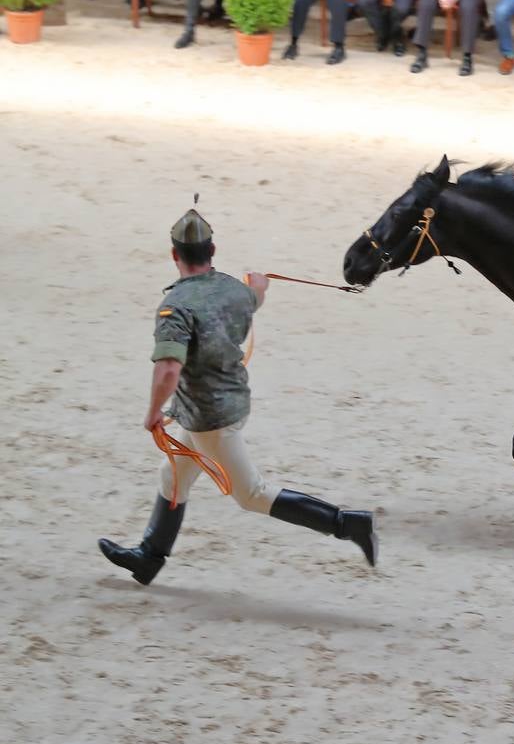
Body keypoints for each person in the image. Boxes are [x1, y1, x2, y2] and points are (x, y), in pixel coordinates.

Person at [97, 209, 377, 587]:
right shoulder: (234, 290)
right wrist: (260, 285)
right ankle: (149, 557)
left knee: (252, 494)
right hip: (227, 401)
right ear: (212, 249)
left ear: (174, 255)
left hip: (209, 416)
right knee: (174, 474)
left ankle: (347, 524)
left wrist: (151, 413)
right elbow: (254, 297)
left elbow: (167, 370)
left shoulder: (176, 306)